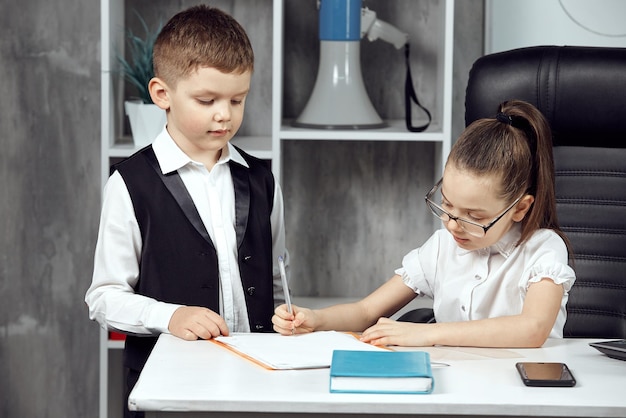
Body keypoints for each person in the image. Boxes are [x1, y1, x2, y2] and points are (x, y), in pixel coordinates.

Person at [85, 5, 287, 417]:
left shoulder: (261, 179)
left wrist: (287, 317)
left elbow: (276, 277)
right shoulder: (130, 183)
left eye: (237, 99)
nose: (224, 114)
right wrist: (171, 315)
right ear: (162, 94)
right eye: (207, 99)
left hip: (256, 387)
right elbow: (103, 299)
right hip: (167, 389)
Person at [273, 99, 575, 349]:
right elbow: (366, 311)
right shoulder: (442, 247)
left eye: (475, 217)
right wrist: (314, 319)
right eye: (447, 205)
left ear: (520, 208)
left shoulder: (543, 250)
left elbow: (532, 328)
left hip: (525, 394)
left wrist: (429, 334)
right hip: (454, 389)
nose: (453, 225)